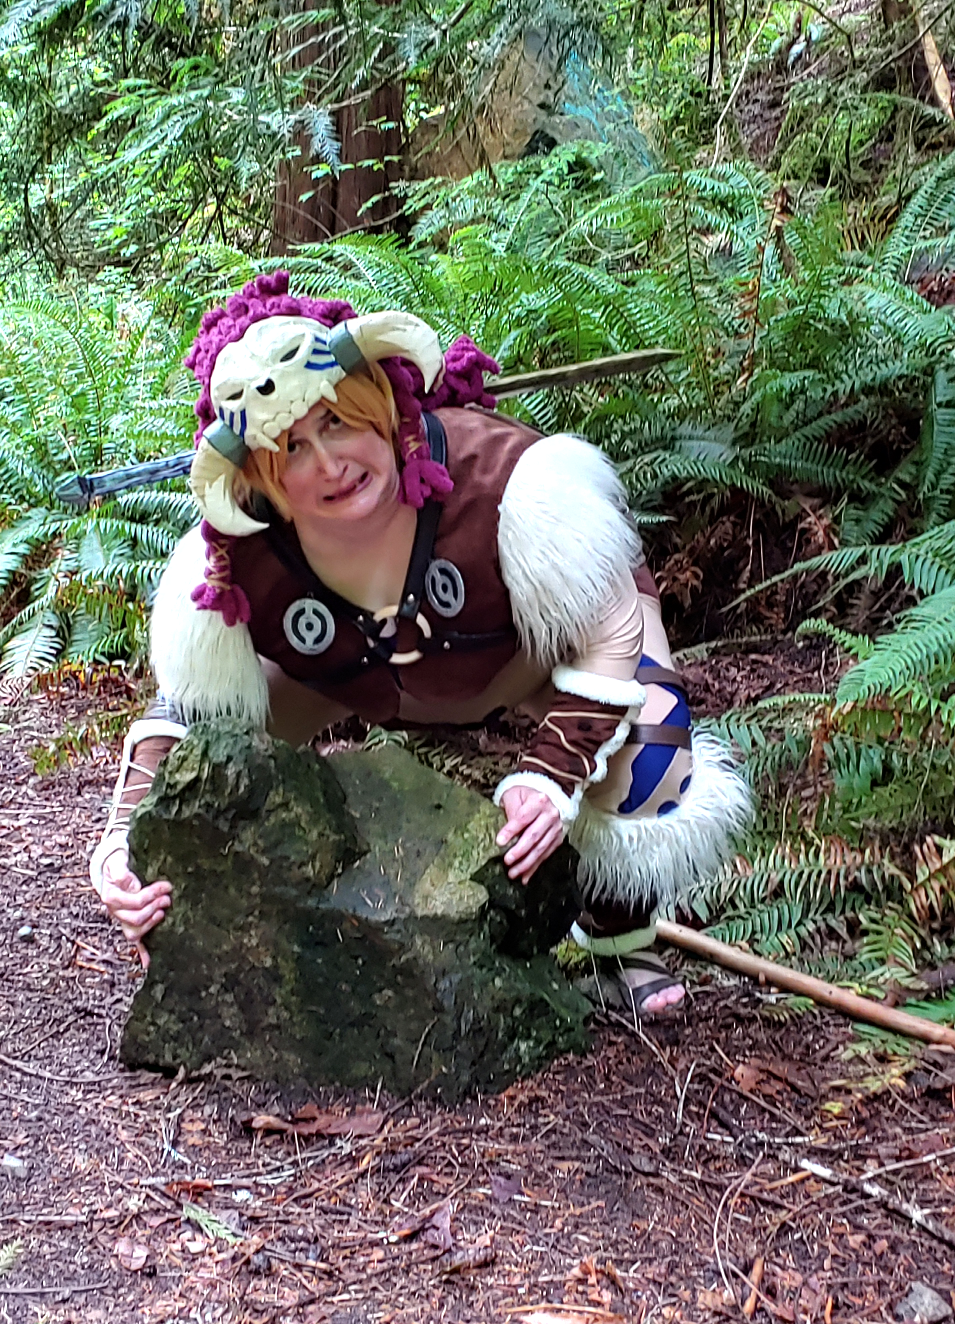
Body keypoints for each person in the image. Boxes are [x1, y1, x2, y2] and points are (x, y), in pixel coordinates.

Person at [88, 274, 750, 1014]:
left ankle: (620, 942)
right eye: (293, 449)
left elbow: (614, 626)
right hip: (348, 674)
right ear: (263, 481)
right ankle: (239, 939)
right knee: (209, 757)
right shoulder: (234, 561)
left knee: (650, 756)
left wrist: (554, 773)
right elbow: (186, 709)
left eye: (340, 424)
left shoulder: (510, 485)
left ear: (381, 406)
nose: (330, 464)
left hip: (520, 656)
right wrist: (127, 843)